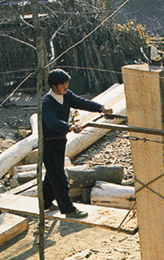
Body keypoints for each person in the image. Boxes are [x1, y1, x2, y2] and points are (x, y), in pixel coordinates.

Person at [41, 69, 112, 219]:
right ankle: (68, 210)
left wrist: (101, 108)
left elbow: (81, 102)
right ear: (54, 86)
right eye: (63, 84)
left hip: (60, 141)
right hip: (49, 143)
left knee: (53, 173)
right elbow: (52, 122)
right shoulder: (46, 103)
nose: (66, 86)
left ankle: (45, 203)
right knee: (59, 177)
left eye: (67, 83)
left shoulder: (66, 95)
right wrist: (69, 127)